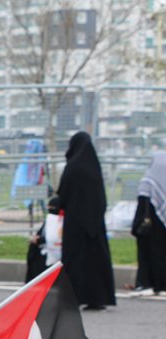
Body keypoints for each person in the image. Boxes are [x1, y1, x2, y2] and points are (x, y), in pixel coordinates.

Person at [56, 132, 115, 310]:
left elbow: (63, 195)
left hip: (75, 225)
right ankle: (97, 298)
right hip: (95, 225)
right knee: (96, 262)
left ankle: (73, 297)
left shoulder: (72, 167)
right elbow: (102, 199)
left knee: (75, 262)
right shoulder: (94, 168)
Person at [131, 151, 166, 296]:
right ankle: (162, 284)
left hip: (149, 225)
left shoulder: (148, 180)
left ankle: (146, 283)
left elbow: (143, 200)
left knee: (147, 253)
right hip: (162, 224)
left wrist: (136, 225)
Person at [26, 196, 62, 283]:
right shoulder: (50, 219)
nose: (50, 210)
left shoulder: (62, 221)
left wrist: (39, 240)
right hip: (45, 248)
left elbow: (55, 238)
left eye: (52, 208)